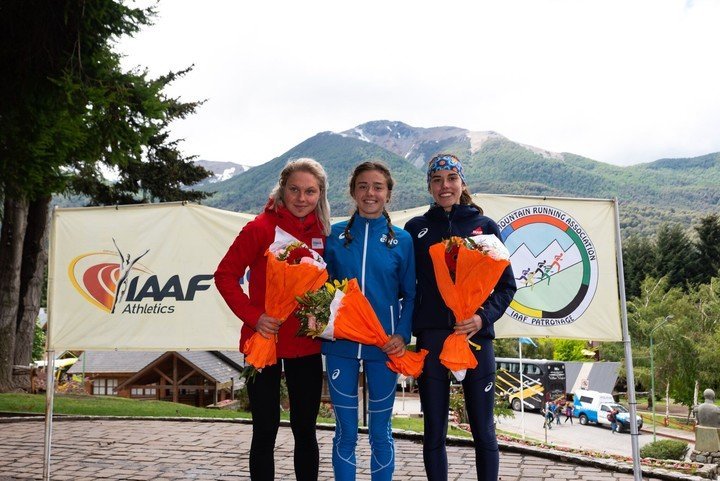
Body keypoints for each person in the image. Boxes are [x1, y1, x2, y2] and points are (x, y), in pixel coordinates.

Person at [214, 158, 331, 481]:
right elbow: (225, 275)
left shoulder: (323, 232)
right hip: (262, 342)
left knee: (305, 429)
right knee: (265, 429)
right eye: (294, 189)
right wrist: (255, 317)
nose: (301, 198)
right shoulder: (260, 227)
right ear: (282, 189)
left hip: (305, 346)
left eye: (310, 191)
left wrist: (321, 314)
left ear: (320, 195)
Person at [404, 154, 517, 481]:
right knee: (434, 430)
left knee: (483, 430)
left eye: (452, 178)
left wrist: (482, 319)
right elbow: (406, 285)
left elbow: (506, 286)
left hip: (476, 339)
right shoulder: (416, 229)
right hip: (433, 339)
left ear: (462, 183)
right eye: (437, 180)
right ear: (429, 185)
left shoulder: (485, 227)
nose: (445, 186)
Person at [323, 161, 416, 481]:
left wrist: (402, 335)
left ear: (388, 194)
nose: (370, 193)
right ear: (352, 191)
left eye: (378, 186)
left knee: (380, 431)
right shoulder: (334, 235)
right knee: (345, 432)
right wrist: (325, 326)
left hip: (384, 347)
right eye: (362, 186)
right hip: (341, 346)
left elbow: (411, 295)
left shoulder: (402, 240)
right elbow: (321, 288)